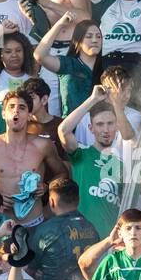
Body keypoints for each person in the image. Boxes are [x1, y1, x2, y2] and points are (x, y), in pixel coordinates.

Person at [0, 91, 68, 228]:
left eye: (22, 108)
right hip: (2, 225)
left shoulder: (43, 145)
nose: (16, 111)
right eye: (11, 107)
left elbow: (62, 173)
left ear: (29, 116)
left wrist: (46, 186)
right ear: (3, 114)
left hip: (35, 222)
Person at [57, 87, 121, 237]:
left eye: (110, 123)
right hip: (82, 239)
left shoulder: (122, 165)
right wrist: (93, 99)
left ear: (117, 127)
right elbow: (63, 131)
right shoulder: (81, 155)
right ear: (91, 128)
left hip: (112, 244)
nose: (106, 129)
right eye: (100, 124)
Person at [29, 176, 99, 280]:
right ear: (78, 199)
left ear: (51, 202)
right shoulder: (91, 227)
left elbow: (30, 266)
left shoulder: (45, 230)